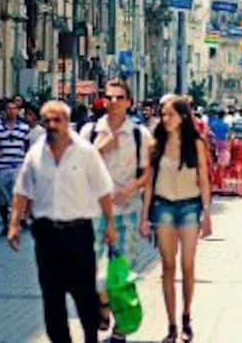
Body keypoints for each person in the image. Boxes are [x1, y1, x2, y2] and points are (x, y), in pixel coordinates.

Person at [8, 100, 118, 343]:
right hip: (46, 234)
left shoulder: (85, 152)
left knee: (84, 294)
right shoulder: (36, 153)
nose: (52, 125)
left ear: (67, 122)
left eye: (57, 120)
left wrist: (110, 224)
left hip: (78, 232)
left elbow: (103, 190)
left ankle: (91, 337)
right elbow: (22, 191)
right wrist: (14, 224)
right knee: (52, 296)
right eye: (47, 120)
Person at [80, 79, 153, 343]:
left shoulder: (140, 134)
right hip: (95, 212)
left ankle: (120, 330)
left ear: (129, 102)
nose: (114, 102)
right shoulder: (90, 131)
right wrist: (100, 149)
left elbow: (148, 173)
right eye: (109, 97)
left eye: (119, 97)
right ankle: (102, 306)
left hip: (127, 211)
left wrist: (132, 192)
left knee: (122, 275)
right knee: (95, 274)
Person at [139, 96, 212, 343]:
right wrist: (144, 217)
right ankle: (171, 325)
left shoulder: (195, 143)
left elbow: (204, 180)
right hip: (163, 207)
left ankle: (186, 317)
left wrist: (207, 214)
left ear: (183, 117)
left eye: (170, 114)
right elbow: (149, 183)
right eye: (163, 114)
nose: (165, 119)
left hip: (190, 206)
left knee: (187, 264)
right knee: (168, 266)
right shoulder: (156, 144)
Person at [0, 99, 30, 236]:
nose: (11, 111)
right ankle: (5, 223)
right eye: (9, 108)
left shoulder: (24, 127)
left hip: (18, 165)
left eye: (14, 109)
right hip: (3, 165)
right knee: (3, 197)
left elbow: (26, 147)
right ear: (4, 111)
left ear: (18, 111)